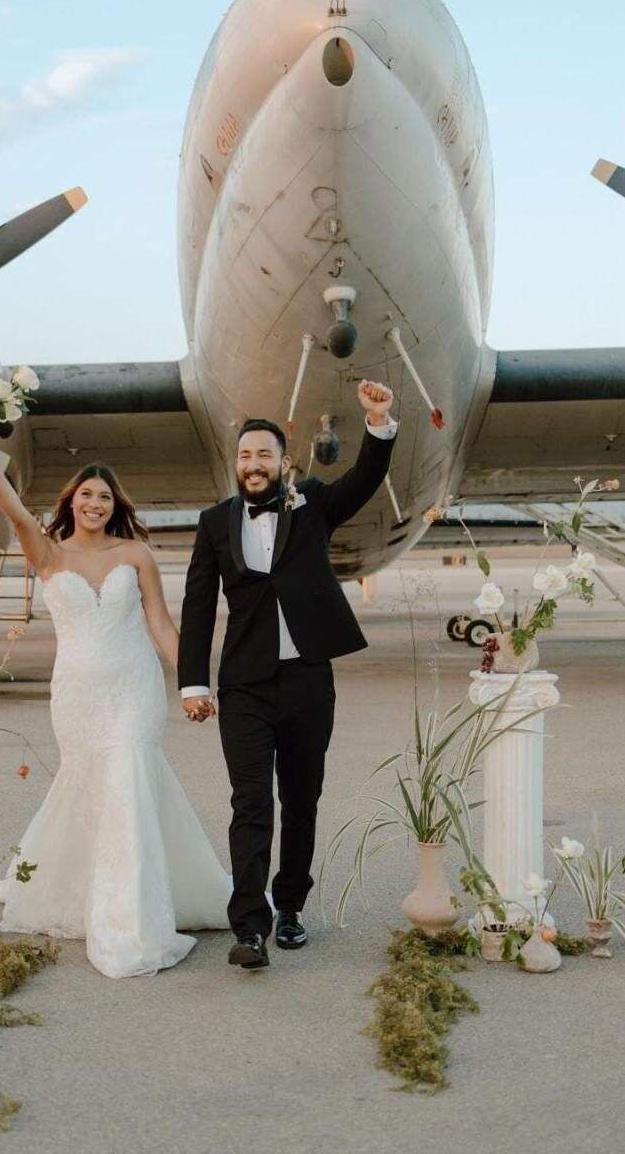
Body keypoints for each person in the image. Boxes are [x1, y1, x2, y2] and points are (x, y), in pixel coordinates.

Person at [0, 440, 230, 979]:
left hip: (133, 688)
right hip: (77, 697)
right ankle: (98, 895)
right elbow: (14, 509)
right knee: (95, 787)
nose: (96, 503)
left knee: (129, 776)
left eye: (105, 496)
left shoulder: (135, 555)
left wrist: (195, 684)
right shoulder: (48, 553)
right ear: (72, 501)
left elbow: (160, 623)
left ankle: (130, 920)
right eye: (87, 494)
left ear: (116, 505)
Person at [178, 381, 397, 970]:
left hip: (307, 681)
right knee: (251, 802)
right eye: (246, 455)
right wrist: (192, 682)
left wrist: (378, 424)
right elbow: (198, 607)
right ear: (237, 464)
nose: (254, 464)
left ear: (283, 463)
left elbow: (363, 482)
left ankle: (291, 908)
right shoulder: (213, 523)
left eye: (265, 455)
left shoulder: (313, 504)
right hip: (244, 685)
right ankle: (249, 927)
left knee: (302, 800)